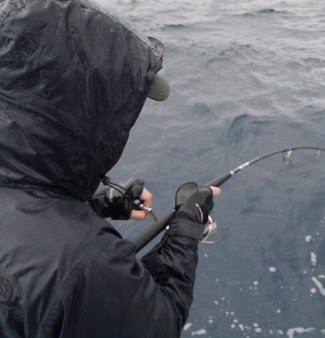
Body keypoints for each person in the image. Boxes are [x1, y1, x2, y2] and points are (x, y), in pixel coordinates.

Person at [0, 0, 219, 337]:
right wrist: (186, 232)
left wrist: (93, 205)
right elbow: (157, 324)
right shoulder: (84, 265)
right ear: (84, 104)